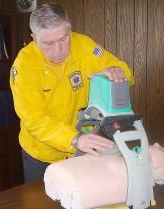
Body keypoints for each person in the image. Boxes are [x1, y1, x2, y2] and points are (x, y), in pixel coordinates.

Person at [10, 3, 134, 183]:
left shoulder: (84, 45)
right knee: (40, 208)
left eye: (63, 39)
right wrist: (74, 139)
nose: (58, 50)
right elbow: (35, 121)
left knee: (80, 203)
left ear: (70, 31)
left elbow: (123, 70)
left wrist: (115, 72)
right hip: (42, 154)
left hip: (83, 146)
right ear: (34, 38)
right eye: (48, 43)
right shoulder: (23, 67)